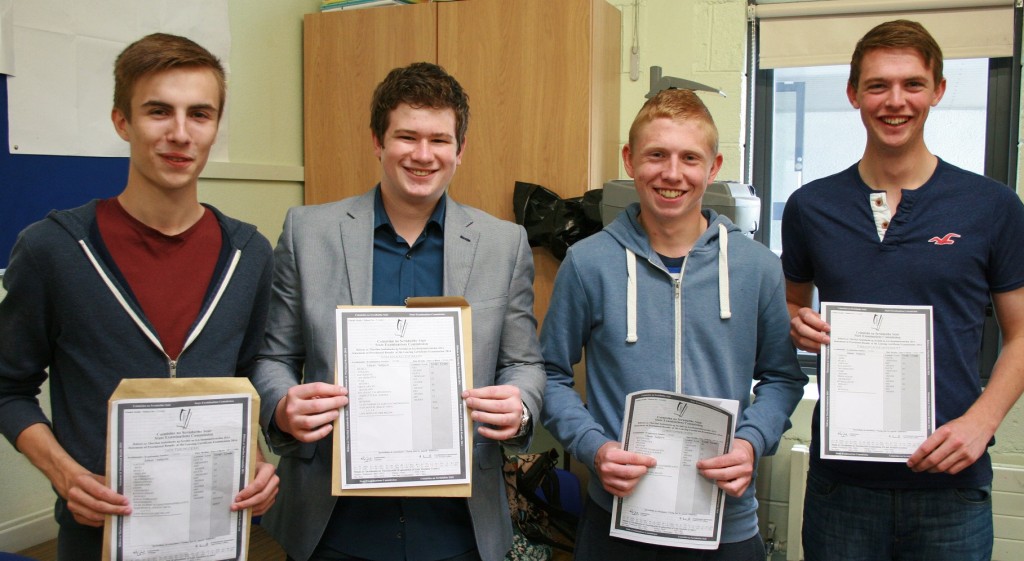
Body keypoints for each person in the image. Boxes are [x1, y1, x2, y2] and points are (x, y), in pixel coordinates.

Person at [250, 62, 545, 561]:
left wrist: (520, 408)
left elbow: (524, 363)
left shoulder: (503, 244)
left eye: (440, 140)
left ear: (461, 149)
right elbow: (272, 357)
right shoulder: (309, 233)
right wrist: (282, 406)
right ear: (377, 141)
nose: (423, 155)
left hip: (458, 527)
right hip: (335, 525)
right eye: (407, 136)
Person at [0, 33, 279, 559]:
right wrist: (65, 473)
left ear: (216, 126)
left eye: (199, 114)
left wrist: (258, 459)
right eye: (158, 111)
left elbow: (244, 379)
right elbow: (6, 387)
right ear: (121, 121)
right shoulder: (53, 250)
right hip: (98, 534)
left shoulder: (249, 254)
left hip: (216, 533)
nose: (179, 133)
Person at [782, 19, 1024, 561]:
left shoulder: (992, 206)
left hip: (951, 487)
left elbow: (1022, 333)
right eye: (877, 85)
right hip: (842, 486)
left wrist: (981, 423)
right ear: (853, 94)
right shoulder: (810, 207)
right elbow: (789, 303)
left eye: (913, 84)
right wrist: (794, 322)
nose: (896, 101)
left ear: (937, 90)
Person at [540, 88, 807, 561]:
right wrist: (592, 446)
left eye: (690, 157)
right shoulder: (588, 263)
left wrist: (751, 441)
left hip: (727, 525)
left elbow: (783, 378)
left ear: (714, 167)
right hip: (617, 522)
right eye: (656, 155)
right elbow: (550, 374)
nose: (672, 173)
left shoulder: (758, 268)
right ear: (629, 159)